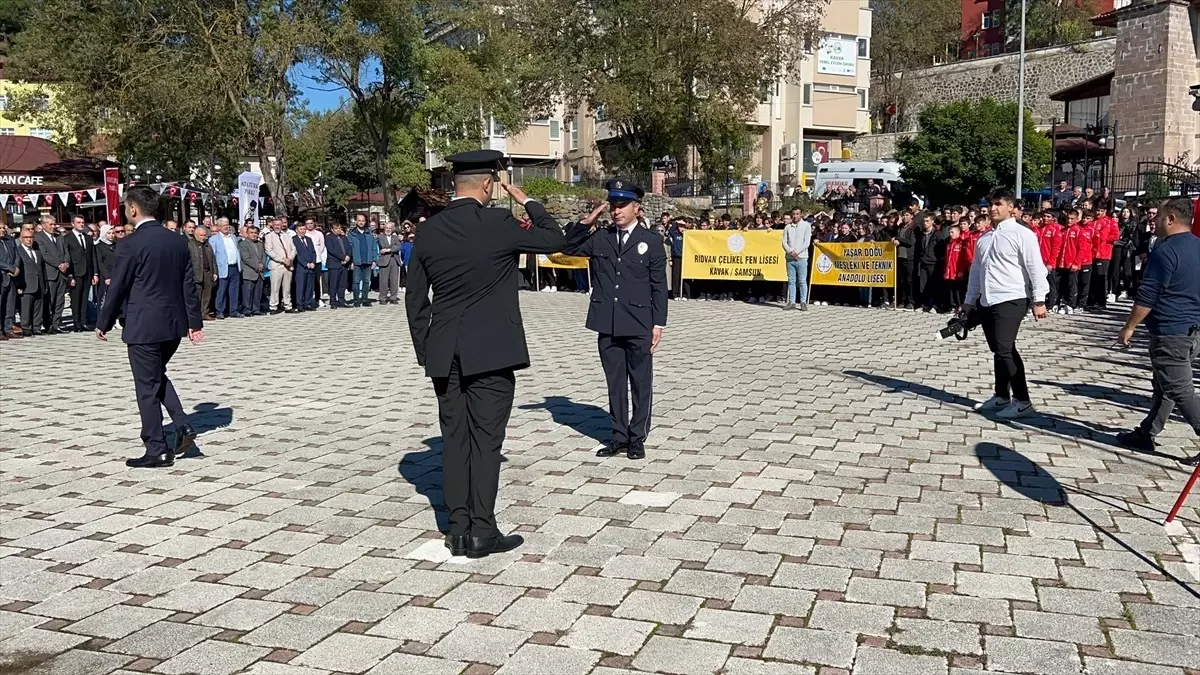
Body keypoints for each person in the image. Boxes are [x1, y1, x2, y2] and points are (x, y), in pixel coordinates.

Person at [405, 149, 568, 559]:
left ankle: (457, 528)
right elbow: (555, 239)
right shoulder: (499, 222)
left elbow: (415, 301)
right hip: (492, 353)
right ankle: (482, 530)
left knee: (455, 440)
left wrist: (428, 351)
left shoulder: (428, 231)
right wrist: (527, 200)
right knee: (486, 442)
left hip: (446, 354)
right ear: (489, 184)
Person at [96, 185, 204, 468]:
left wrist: (103, 322)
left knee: (146, 386)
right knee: (156, 375)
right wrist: (194, 322)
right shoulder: (178, 241)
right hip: (172, 325)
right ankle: (182, 424)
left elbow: (118, 286)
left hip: (143, 325)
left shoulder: (130, 244)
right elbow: (188, 287)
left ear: (133, 209)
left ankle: (157, 448)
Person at [562, 178, 668, 461]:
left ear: (637, 207)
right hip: (607, 322)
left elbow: (659, 285)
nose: (616, 210)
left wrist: (658, 324)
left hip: (638, 322)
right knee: (615, 383)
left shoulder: (651, 242)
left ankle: (637, 437)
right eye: (612, 205)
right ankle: (618, 436)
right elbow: (567, 246)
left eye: (622, 205)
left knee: (641, 383)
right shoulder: (601, 237)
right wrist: (589, 219)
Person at [1115, 199, 1200, 466]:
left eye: (1159, 216)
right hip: (1193, 330)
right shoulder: (1198, 246)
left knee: (1179, 389)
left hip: (1170, 332)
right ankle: (1147, 433)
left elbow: (1147, 296)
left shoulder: (1165, 251)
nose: (1154, 221)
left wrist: (1129, 326)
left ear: (1171, 218)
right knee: (1164, 385)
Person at [966, 189, 1049, 420]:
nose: (993, 208)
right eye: (991, 204)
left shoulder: (1022, 234)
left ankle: (1022, 401)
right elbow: (976, 271)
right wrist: (969, 302)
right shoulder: (984, 238)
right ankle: (1001, 395)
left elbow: (1036, 268)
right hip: (987, 299)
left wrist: (1039, 299)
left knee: (1004, 348)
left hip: (1011, 298)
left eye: (998, 204)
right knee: (1000, 350)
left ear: (1011, 207)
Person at [64, 214, 98, 332]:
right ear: (73, 224)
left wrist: (95, 273)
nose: (81, 224)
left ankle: (84, 322)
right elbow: (67, 257)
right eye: (78, 222)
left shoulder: (88, 238)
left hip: (87, 272)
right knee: (76, 299)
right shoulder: (67, 238)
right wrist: (70, 275)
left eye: (82, 222)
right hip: (75, 272)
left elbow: (92, 256)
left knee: (84, 299)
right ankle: (76, 323)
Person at [34, 215, 67, 334]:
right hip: (50, 273)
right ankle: (48, 324)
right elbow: (45, 255)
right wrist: (59, 264)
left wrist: (66, 263)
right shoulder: (39, 238)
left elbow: (66, 251)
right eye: (50, 224)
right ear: (43, 225)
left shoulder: (59, 237)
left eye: (54, 224)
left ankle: (56, 323)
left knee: (60, 300)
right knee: (50, 300)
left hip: (62, 274)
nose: (53, 227)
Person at [209, 218, 243, 319]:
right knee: (221, 290)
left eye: (227, 225)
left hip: (234, 267)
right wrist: (215, 271)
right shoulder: (214, 239)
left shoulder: (233, 237)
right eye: (224, 225)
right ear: (219, 227)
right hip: (222, 268)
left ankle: (233, 310)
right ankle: (220, 310)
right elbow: (212, 256)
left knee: (234, 290)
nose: (226, 227)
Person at [14, 227, 44, 336]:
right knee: (26, 308)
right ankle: (26, 327)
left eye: (31, 237)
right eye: (26, 237)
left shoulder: (37, 251)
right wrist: (19, 286)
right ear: (21, 239)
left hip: (39, 284)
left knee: (37, 307)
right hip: (26, 285)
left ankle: (36, 327)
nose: (29, 240)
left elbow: (41, 269)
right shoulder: (18, 251)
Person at [264, 217, 296, 314]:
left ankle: (287, 305)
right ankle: (273, 306)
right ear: (272, 226)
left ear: (282, 225)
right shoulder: (269, 236)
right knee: (275, 287)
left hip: (288, 264)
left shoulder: (287, 235)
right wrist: (282, 260)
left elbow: (293, 249)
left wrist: (290, 258)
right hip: (277, 265)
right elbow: (269, 251)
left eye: (279, 225)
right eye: (275, 225)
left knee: (287, 287)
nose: (278, 227)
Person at [782, 211, 811, 310]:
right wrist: (790, 251)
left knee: (802, 281)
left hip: (802, 257)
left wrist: (797, 252)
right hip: (790, 258)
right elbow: (784, 242)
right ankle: (792, 301)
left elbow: (806, 242)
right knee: (791, 281)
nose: (795, 216)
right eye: (793, 214)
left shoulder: (806, 225)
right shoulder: (788, 227)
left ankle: (803, 302)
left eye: (797, 214)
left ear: (801, 214)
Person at [348, 214, 378, 306]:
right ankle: (356, 300)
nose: (361, 222)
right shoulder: (352, 234)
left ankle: (365, 299)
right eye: (359, 220)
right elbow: (349, 249)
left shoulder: (369, 234)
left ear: (365, 222)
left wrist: (374, 260)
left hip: (368, 261)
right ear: (356, 221)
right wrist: (351, 261)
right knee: (356, 281)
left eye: (363, 221)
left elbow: (373, 247)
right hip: (357, 261)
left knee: (366, 281)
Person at [189, 226, 218, 319]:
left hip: (207, 272)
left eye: (205, 235)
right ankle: (196, 314)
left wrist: (215, 272)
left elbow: (213, 259)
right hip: (196, 273)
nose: (203, 237)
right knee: (197, 294)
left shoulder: (207, 245)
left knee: (207, 294)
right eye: (201, 235)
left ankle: (205, 313)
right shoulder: (190, 245)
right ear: (195, 235)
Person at [238, 225, 266, 316]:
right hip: (249, 271)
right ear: (247, 234)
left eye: (255, 233)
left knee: (258, 292)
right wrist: (257, 266)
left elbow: (264, 256)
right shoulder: (243, 244)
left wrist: (262, 264)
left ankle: (256, 309)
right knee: (248, 292)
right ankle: (247, 309)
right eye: (252, 233)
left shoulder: (260, 244)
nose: (254, 235)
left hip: (260, 272)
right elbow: (246, 258)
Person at [325, 223, 351, 309]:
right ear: (332, 229)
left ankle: (341, 300)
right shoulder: (329, 238)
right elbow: (331, 250)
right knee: (333, 284)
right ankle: (333, 301)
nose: (338, 230)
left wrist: (348, 257)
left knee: (342, 284)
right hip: (334, 263)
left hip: (344, 264)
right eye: (336, 228)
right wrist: (343, 257)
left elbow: (349, 248)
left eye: (339, 228)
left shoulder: (344, 237)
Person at [376, 221, 403, 304]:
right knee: (383, 280)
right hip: (384, 260)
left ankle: (393, 297)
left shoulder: (395, 237)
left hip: (394, 259)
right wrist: (392, 247)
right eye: (387, 228)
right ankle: (382, 298)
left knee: (394, 280)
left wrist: (389, 249)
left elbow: (399, 246)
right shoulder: (380, 237)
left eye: (390, 228)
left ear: (392, 229)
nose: (388, 229)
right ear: (384, 228)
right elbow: (383, 246)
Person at [293, 224, 318, 311]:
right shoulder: (294, 240)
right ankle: (299, 304)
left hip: (311, 266)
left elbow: (313, 252)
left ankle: (308, 303)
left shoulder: (309, 239)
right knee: (300, 286)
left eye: (304, 229)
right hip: (301, 267)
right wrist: (305, 263)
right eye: (301, 229)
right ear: (297, 230)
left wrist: (313, 262)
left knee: (309, 286)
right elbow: (297, 254)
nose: (303, 231)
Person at [94, 223, 118, 312]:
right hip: (105, 275)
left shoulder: (116, 245)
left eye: (112, 233)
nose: (111, 235)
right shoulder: (99, 247)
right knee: (102, 298)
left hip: (116, 273)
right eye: (109, 233)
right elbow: (99, 262)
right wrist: (107, 276)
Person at [0, 225, 18, 339]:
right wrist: (10, 268)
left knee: (10, 305)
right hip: (1, 276)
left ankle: (8, 329)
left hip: (12, 277)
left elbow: (17, 256)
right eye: (0, 228)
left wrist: (16, 268)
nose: (3, 229)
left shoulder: (10, 240)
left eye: (3, 227)